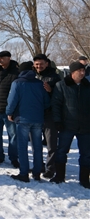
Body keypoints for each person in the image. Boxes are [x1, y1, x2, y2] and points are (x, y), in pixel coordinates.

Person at [6, 61, 50, 182]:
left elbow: (12, 100)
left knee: (22, 147)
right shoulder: (40, 83)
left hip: (23, 118)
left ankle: (24, 173)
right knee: (37, 146)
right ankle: (37, 172)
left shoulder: (17, 83)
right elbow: (46, 102)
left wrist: (9, 113)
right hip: (38, 119)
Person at [50, 61, 90, 189]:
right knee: (61, 151)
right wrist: (58, 121)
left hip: (85, 126)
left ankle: (84, 179)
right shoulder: (61, 85)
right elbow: (56, 105)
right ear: (73, 72)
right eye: (80, 70)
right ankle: (59, 176)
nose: (83, 73)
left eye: (84, 70)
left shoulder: (87, 86)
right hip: (67, 125)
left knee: (86, 153)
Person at [32, 54, 62, 178]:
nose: (39, 66)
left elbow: (61, 96)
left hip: (49, 114)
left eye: (41, 64)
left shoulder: (55, 77)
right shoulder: (32, 76)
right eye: (37, 64)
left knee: (51, 143)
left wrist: (51, 90)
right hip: (35, 114)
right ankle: (38, 165)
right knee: (35, 143)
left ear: (47, 63)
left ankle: (50, 168)